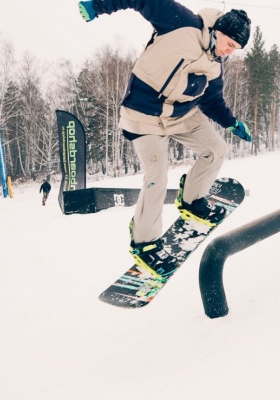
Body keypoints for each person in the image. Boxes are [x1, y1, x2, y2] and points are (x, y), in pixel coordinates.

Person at [78, 0, 252, 274]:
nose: (230, 52)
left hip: (181, 116)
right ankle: (145, 242)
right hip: (143, 115)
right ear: (218, 31)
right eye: (230, 43)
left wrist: (232, 123)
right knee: (158, 173)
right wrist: (97, 6)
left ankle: (193, 198)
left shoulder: (216, 65)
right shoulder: (182, 23)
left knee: (216, 149)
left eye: (236, 49)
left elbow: (212, 101)